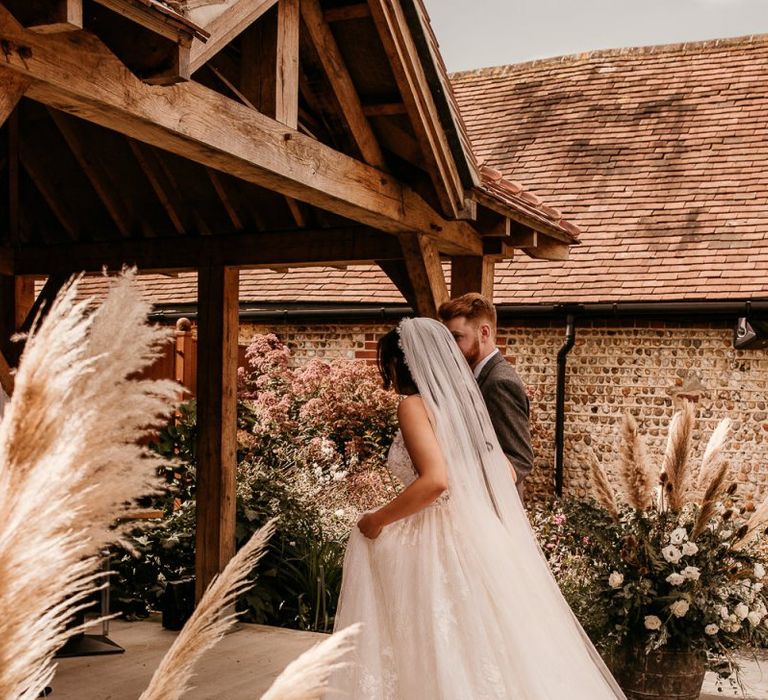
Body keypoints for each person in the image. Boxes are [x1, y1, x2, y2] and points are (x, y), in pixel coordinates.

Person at [328, 318, 624, 699]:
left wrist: (377, 518)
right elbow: (501, 467)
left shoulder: (414, 406)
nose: (388, 377)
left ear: (404, 364)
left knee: (434, 639)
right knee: (480, 641)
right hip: (474, 533)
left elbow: (435, 481)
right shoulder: (462, 406)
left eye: (388, 367)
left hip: (433, 539)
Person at [438, 293, 534, 504]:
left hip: (494, 508)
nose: (449, 347)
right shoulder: (476, 376)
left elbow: (520, 459)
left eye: (456, 337)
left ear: (484, 332)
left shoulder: (499, 382)